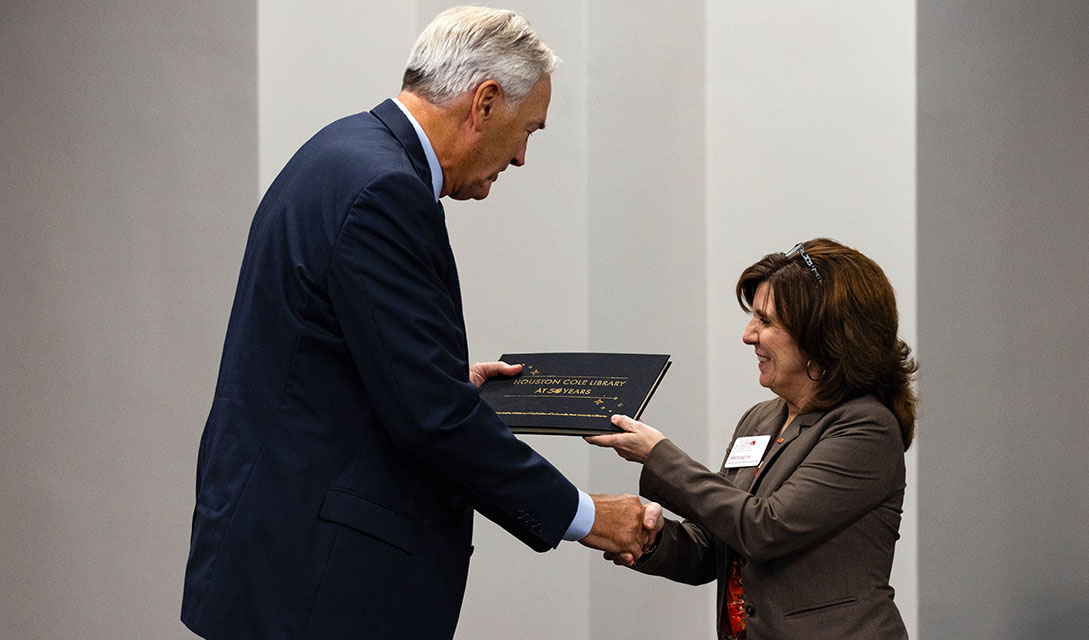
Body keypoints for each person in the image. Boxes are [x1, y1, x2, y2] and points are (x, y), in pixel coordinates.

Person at [181, 7, 651, 639]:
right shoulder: (386, 190)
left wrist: (435, 375)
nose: (519, 159)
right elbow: (433, 418)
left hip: (280, 555)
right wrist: (588, 516)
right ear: (484, 103)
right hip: (321, 584)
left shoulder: (338, 151)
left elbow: (325, 352)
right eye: (527, 132)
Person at [587, 238, 916, 639]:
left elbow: (764, 529)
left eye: (766, 321)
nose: (748, 335)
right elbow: (716, 546)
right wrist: (651, 540)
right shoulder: (760, 420)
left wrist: (657, 454)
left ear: (822, 336)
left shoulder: (866, 428)